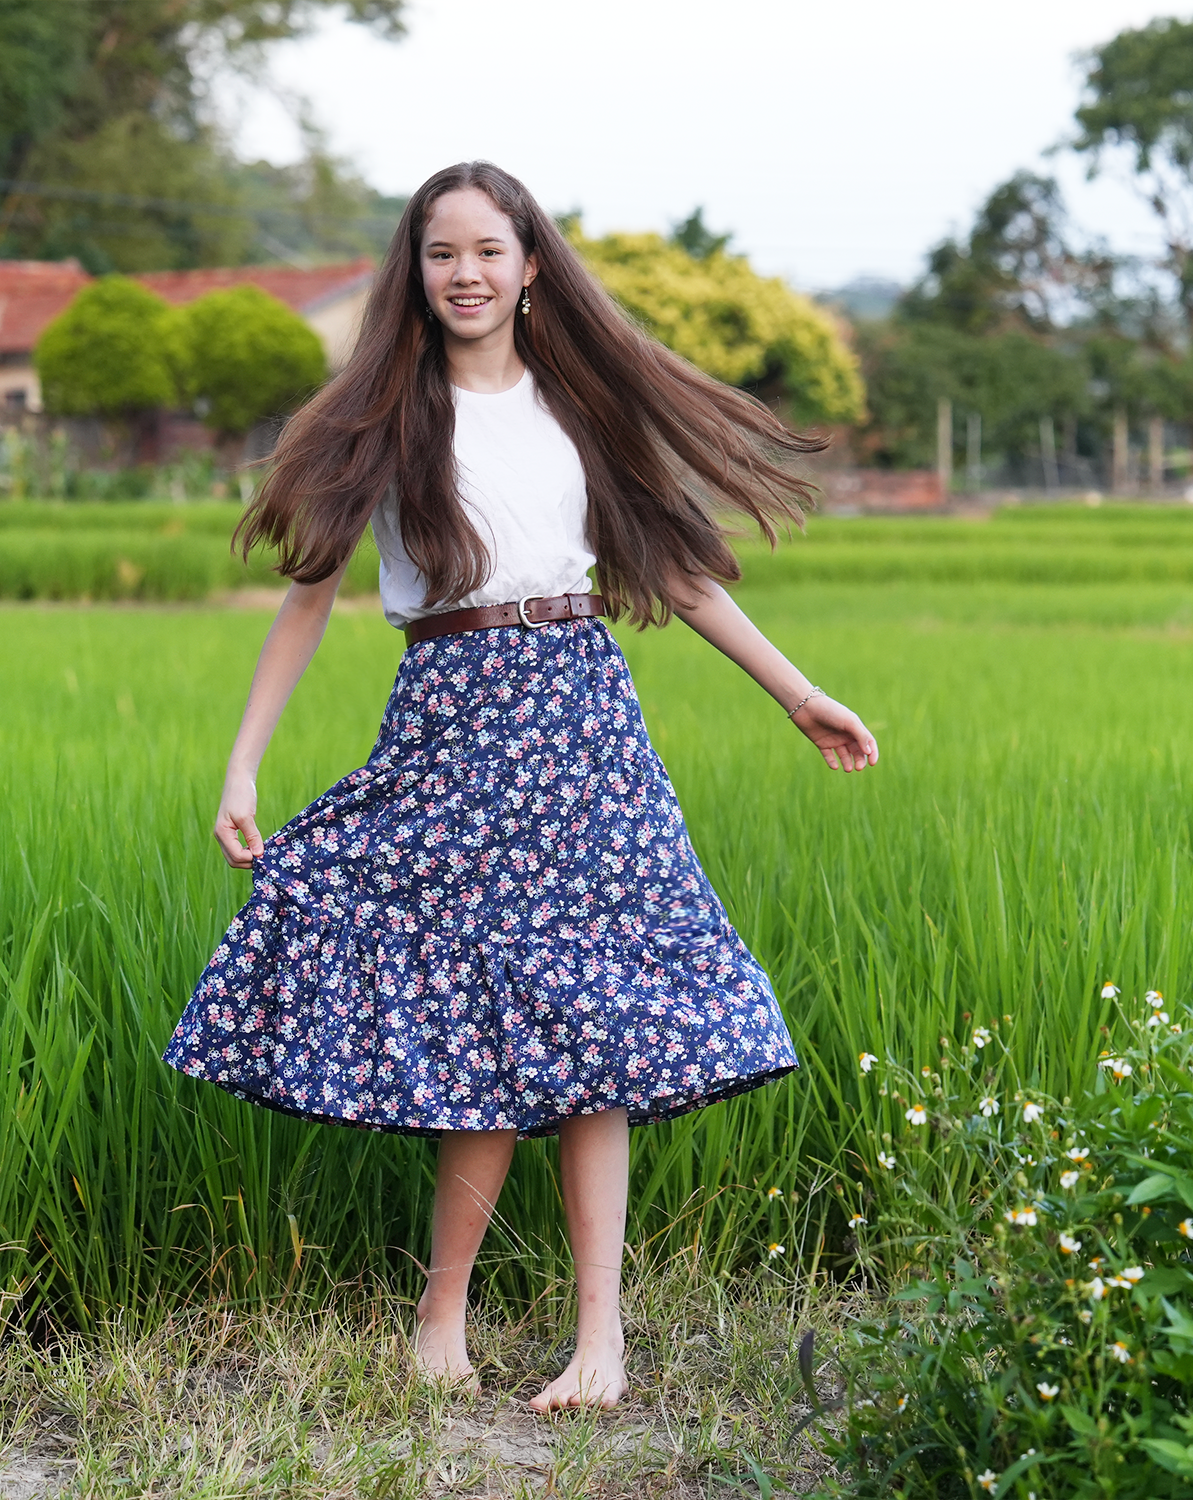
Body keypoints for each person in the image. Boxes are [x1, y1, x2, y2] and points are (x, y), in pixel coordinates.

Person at [161, 161, 878, 1413]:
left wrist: (796, 690)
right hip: (449, 717)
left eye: (489, 250)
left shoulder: (579, 410)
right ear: (416, 271)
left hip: (583, 716)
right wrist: (242, 760)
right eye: (442, 254)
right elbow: (308, 596)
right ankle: (440, 1320)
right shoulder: (379, 420)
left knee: (594, 1024)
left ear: (531, 262)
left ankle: (600, 1344)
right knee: (474, 1019)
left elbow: (683, 573)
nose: (467, 274)